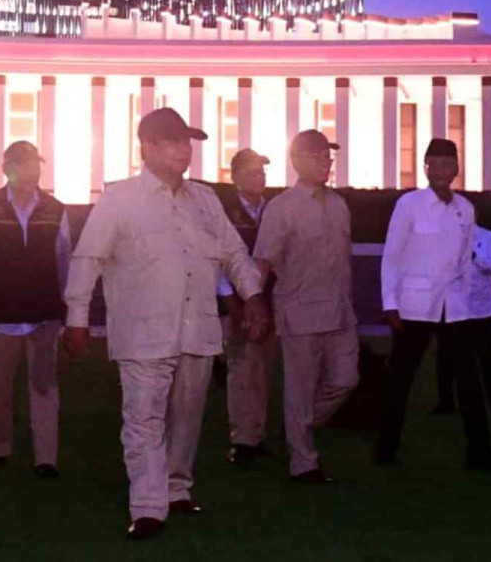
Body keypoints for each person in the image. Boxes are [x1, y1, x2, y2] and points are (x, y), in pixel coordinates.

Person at [61, 107, 268, 541]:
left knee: (187, 416)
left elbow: (233, 252)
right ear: (147, 147)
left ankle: (176, 489)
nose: (183, 150)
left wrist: (252, 295)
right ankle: (147, 506)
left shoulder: (205, 200)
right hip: (142, 329)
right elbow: (87, 258)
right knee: (143, 418)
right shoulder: (120, 199)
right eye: (173, 141)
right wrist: (76, 317)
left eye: (186, 141)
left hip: (197, 328)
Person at [375, 138, 491, 472]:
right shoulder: (409, 204)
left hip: (454, 308)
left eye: (446, 163)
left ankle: (480, 452)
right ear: (425, 168)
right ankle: (385, 450)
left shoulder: (465, 208)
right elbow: (391, 256)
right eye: (433, 163)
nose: (440, 170)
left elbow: (465, 260)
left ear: (456, 168)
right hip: (414, 307)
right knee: (400, 381)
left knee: (469, 381)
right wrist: (390, 304)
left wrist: (466, 302)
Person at [0, 141, 72, 478]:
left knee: (45, 385)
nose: (32, 171)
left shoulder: (55, 210)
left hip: (44, 311)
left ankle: (46, 458)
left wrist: (67, 302)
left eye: (35, 164)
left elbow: (64, 259)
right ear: (8, 169)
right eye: (24, 164)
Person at [253, 131, 360, 482]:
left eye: (328, 157)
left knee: (346, 380)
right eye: (318, 157)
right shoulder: (282, 208)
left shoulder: (339, 205)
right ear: (297, 161)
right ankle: (303, 463)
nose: (326, 163)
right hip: (299, 311)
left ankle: (297, 427)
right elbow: (262, 262)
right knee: (299, 390)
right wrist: (254, 305)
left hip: (340, 312)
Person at [216, 148, 282, 468]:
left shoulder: (273, 210)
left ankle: (256, 434)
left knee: (262, 368)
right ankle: (242, 440)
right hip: (238, 302)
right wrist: (232, 303)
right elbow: (220, 261)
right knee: (241, 367)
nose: (260, 177)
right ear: (235, 177)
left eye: (262, 171)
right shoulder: (225, 213)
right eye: (252, 172)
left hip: (270, 299)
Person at [433, 224, 491, 415]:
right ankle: (446, 403)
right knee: (445, 354)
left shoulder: (488, 237)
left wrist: (475, 257)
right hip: (451, 306)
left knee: (486, 355)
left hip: (481, 309)